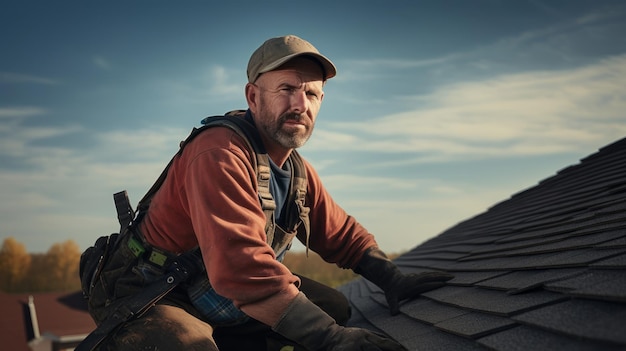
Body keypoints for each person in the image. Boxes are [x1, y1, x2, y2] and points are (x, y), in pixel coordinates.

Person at [85, 35, 453, 351]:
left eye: (312, 93)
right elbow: (242, 267)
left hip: (217, 288)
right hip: (155, 292)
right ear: (253, 96)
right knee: (190, 345)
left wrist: (392, 279)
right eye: (287, 89)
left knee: (334, 308)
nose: (300, 105)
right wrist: (330, 339)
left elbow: (340, 234)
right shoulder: (220, 152)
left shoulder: (296, 171)